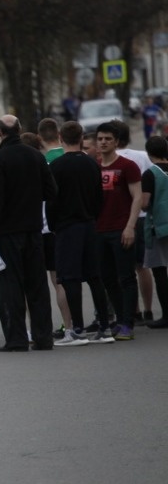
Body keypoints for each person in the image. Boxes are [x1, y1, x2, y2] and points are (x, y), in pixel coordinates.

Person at [0, 115, 57, 352]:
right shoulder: (36, 157)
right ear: (20, 130)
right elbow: (52, 191)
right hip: (34, 230)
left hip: (7, 233)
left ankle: (16, 339)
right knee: (37, 285)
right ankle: (43, 337)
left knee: (10, 286)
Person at [46, 121, 111, 346]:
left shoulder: (56, 167)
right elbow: (99, 198)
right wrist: (92, 216)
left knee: (69, 278)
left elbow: (51, 202)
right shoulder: (92, 164)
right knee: (95, 277)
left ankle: (77, 329)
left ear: (61, 138)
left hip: (67, 227)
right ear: (82, 138)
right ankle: (104, 327)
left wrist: (54, 225)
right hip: (89, 224)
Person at [94, 122, 143, 340]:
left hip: (122, 229)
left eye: (108, 139)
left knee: (126, 277)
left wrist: (130, 226)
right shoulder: (93, 167)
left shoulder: (127, 166)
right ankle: (119, 319)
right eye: (100, 138)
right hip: (99, 231)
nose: (103, 142)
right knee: (107, 278)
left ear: (116, 142)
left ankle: (127, 324)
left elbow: (138, 197)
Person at [111, 119, 155, 323]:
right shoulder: (143, 156)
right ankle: (148, 309)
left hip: (122, 218)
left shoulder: (111, 159)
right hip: (143, 217)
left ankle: (133, 310)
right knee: (142, 266)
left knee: (123, 269)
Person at [36, 119, 73, 339]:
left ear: (40, 138)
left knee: (56, 279)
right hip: (72, 224)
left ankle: (65, 324)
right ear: (59, 134)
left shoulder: (43, 163)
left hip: (47, 228)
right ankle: (77, 324)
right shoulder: (74, 156)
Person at [141, 136, 168, 328]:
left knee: (160, 271)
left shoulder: (150, 174)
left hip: (158, 226)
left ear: (149, 154)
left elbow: (144, 202)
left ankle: (166, 314)